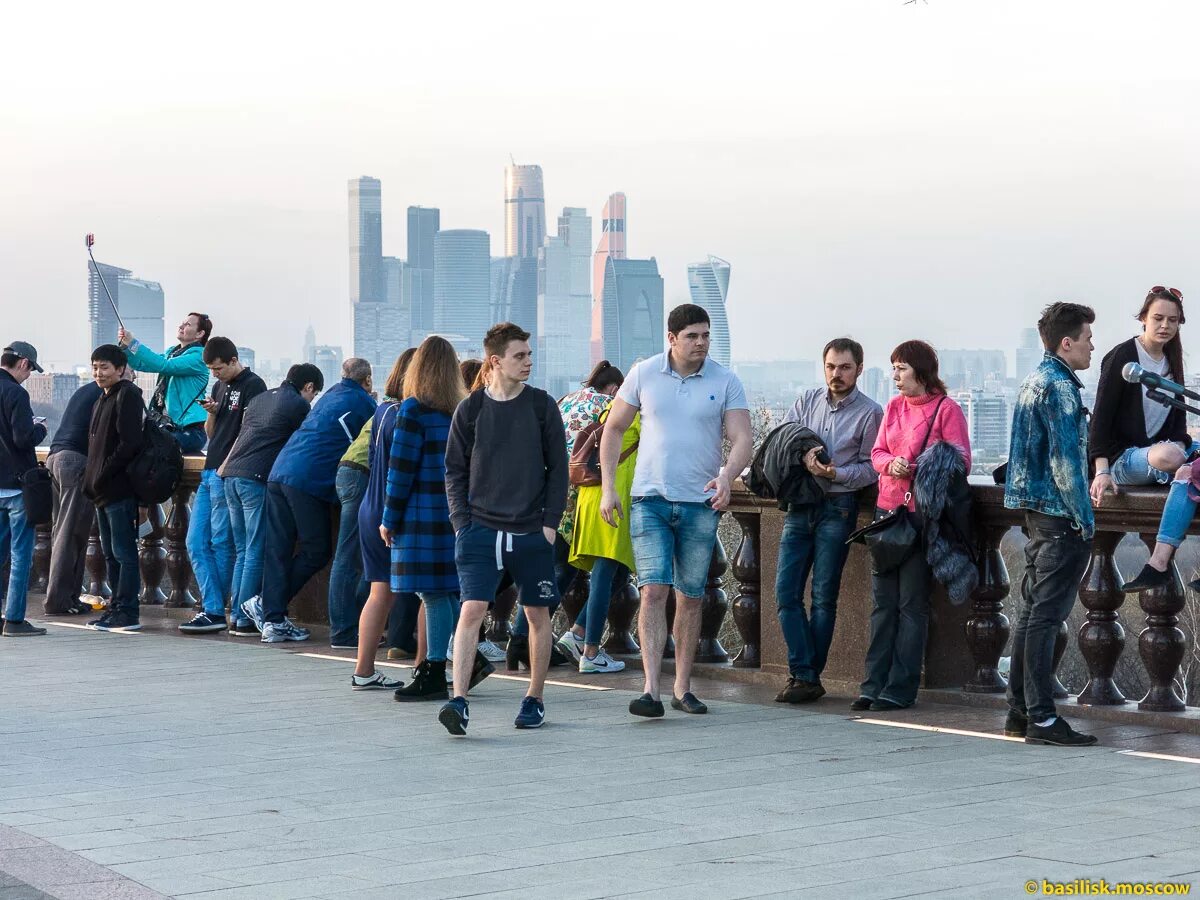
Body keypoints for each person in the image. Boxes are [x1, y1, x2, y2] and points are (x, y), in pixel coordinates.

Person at [600, 304, 753, 718]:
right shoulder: (644, 373)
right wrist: (609, 488)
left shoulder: (725, 380)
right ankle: (650, 689)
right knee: (653, 590)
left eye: (705, 335)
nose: (701, 342)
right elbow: (613, 429)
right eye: (692, 336)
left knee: (691, 596)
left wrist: (726, 476)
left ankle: (683, 688)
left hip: (700, 502)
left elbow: (742, 439)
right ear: (672, 338)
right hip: (649, 498)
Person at [440, 323, 568, 734]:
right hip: (479, 530)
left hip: (531, 530)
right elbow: (454, 470)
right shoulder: (471, 409)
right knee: (471, 610)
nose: (529, 362)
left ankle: (535, 698)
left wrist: (549, 525)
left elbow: (559, 471)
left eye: (530, 355)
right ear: (496, 361)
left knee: (536, 614)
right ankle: (457, 701)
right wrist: (462, 523)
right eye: (520, 356)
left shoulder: (542, 406)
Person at [853, 340, 971, 713]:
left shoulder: (946, 409)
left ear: (921, 370)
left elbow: (961, 461)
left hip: (921, 518)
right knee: (882, 604)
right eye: (893, 369)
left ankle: (900, 688)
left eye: (901, 368)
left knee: (911, 604)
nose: (895, 376)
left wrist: (918, 467)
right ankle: (872, 685)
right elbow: (876, 454)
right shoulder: (893, 407)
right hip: (887, 514)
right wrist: (892, 465)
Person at [1003, 303, 1099, 747]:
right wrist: (1085, 517)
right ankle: (1041, 718)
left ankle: (1020, 713)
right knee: (1045, 618)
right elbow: (1066, 465)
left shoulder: (1032, 381)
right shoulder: (1060, 388)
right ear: (1067, 342)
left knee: (1031, 615)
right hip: (1060, 518)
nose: (1091, 345)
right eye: (1087, 338)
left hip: (1034, 514)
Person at [774, 338, 883, 704]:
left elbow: (872, 467)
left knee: (823, 597)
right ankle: (805, 674)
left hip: (838, 508)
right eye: (831, 367)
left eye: (845, 368)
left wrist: (837, 474)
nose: (837, 374)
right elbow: (785, 440)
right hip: (801, 505)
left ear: (859, 370)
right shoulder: (807, 400)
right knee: (785, 593)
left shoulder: (870, 412)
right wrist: (806, 458)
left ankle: (805, 676)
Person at [241, 358, 375, 642]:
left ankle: (273, 618)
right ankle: (267, 605)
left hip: (279, 472)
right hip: (307, 481)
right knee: (317, 549)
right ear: (368, 380)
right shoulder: (363, 403)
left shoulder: (330, 396)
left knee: (278, 549)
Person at [378, 337, 482, 700]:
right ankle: (469, 658)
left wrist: (388, 518)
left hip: (420, 515)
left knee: (433, 593)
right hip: (454, 513)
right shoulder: (460, 410)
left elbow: (400, 471)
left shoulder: (412, 411)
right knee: (447, 591)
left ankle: (434, 670)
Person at [219, 364, 323, 634]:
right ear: (309, 386)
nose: (312, 399)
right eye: (314, 393)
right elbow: (305, 444)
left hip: (231, 474)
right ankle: (245, 619)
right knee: (256, 550)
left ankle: (236, 616)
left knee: (242, 550)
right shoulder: (298, 405)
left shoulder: (260, 398)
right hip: (256, 477)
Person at [328, 349, 416, 652]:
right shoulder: (406, 412)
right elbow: (399, 466)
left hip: (356, 479)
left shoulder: (382, 408)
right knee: (357, 561)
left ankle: (358, 650)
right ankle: (345, 632)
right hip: (370, 485)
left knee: (367, 571)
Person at [179, 338, 266, 633]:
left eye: (218, 369)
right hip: (209, 470)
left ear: (233, 360)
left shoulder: (254, 385)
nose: (215, 374)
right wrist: (213, 413)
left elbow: (250, 432)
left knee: (221, 543)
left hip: (229, 473)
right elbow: (211, 434)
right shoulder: (218, 387)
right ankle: (213, 606)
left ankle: (216, 610)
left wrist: (229, 466)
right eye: (211, 370)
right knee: (194, 541)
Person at [551, 361, 629, 671]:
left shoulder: (565, 399)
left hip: (552, 495)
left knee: (552, 571)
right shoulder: (613, 407)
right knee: (602, 572)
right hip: (587, 496)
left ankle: (525, 638)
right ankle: (580, 639)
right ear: (614, 389)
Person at [1090, 287, 1190, 509]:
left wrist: (1182, 448)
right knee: (1170, 456)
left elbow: (1179, 419)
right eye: (1158, 318)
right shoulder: (1123, 356)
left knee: (1174, 454)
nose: (1165, 325)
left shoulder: (1171, 359)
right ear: (1144, 318)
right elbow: (1101, 418)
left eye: (1172, 320)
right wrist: (1102, 471)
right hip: (1124, 459)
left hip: (1163, 451)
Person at [83, 345, 145, 633]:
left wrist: (104, 474)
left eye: (105, 367)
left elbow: (129, 444)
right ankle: (116, 607)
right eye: (95, 367)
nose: (99, 373)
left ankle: (129, 612)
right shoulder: (101, 399)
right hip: (101, 490)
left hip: (118, 488)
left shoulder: (128, 395)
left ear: (120, 369)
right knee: (110, 552)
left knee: (123, 552)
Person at [0, 341, 49, 636]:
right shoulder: (15, 393)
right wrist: (39, 428)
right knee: (20, 555)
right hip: (17, 487)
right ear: (23, 364)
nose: (28, 375)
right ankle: (15, 619)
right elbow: (22, 438)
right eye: (30, 370)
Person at [44, 378, 103, 615]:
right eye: (130, 371)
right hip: (76, 462)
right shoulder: (106, 392)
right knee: (71, 535)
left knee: (62, 532)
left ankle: (67, 598)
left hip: (55, 458)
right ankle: (59, 601)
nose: (132, 376)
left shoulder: (85, 390)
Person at [119, 313, 212, 453]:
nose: (181, 326)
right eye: (182, 322)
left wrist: (133, 343)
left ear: (200, 333)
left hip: (190, 431)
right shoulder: (172, 353)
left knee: (148, 449)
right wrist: (125, 348)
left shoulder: (199, 357)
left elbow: (164, 366)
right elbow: (140, 364)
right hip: (168, 427)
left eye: (187, 325)